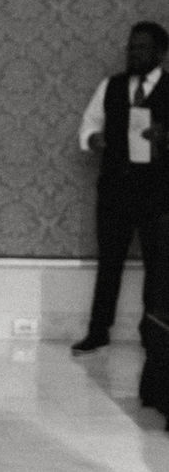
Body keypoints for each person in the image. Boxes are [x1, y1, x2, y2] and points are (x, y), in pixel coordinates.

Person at [72, 21, 169, 355]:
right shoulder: (111, 86)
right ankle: (98, 331)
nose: (133, 53)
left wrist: (164, 138)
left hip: (158, 194)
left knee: (158, 267)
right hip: (115, 190)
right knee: (109, 263)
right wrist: (94, 139)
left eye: (141, 47)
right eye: (131, 47)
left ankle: (152, 334)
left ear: (160, 52)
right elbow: (89, 124)